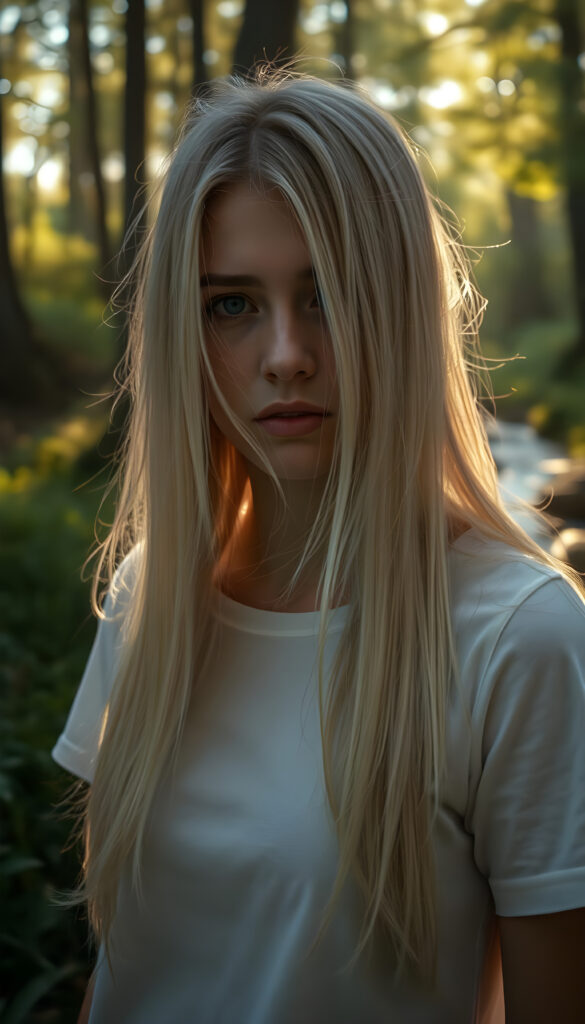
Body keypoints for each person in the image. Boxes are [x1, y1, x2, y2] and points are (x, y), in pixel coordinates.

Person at [53, 69, 585, 1024]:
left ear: (403, 308)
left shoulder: (515, 637)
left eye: (329, 293)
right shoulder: (151, 599)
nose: (286, 353)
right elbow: (123, 969)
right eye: (231, 304)